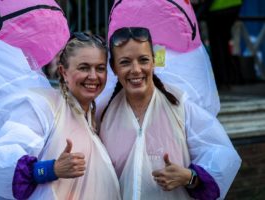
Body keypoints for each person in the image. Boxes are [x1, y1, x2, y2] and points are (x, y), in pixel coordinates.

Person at [0, 32, 121, 200]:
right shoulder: (42, 105)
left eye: (100, 68)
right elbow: (1, 159)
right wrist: (51, 169)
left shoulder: (90, 114)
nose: (93, 76)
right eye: (84, 67)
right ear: (63, 72)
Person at [100, 27, 241, 200]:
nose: (136, 69)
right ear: (114, 68)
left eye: (143, 60)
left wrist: (190, 177)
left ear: (153, 61)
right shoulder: (103, 114)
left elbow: (220, 154)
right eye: (125, 62)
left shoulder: (180, 106)